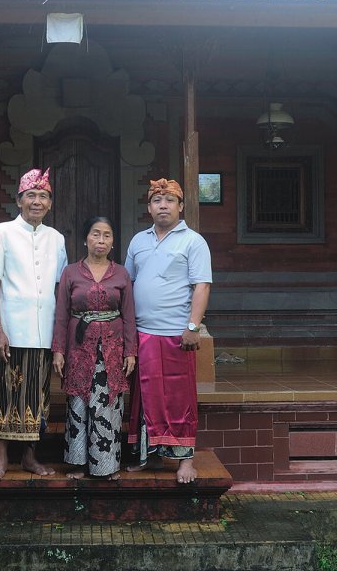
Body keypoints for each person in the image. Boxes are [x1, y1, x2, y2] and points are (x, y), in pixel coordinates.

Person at [0, 168, 67, 480]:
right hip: (11, 331)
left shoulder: (56, 239)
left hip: (44, 332)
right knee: (7, 392)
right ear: (19, 200)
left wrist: (60, 339)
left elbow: (60, 289)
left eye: (43, 196)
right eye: (31, 195)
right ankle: (1, 458)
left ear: (50, 204)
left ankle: (31, 458)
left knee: (39, 396)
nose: (37, 201)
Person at [125, 178, 212, 484]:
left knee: (179, 397)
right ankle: (149, 456)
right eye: (157, 201)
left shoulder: (193, 241)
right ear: (149, 207)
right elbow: (128, 285)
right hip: (144, 333)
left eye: (169, 200)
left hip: (177, 333)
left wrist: (192, 326)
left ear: (180, 206)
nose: (163, 206)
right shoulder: (138, 241)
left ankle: (185, 460)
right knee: (146, 398)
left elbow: (201, 285)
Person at [51, 217, 137, 480]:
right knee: (78, 402)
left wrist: (131, 351)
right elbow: (62, 315)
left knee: (108, 404)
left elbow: (129, 315)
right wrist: (58, 350)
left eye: (107, 235)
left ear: (112, 242)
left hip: (112, 349)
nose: (101, 240)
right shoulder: (71, 272)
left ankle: (106, 465)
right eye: (96, 234)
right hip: (79, 349)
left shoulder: (121, 273)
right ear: (85, 239)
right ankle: (78, 463)